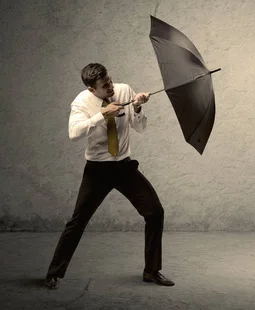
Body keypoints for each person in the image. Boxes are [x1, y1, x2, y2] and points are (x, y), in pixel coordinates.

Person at [44, 63, 174, 289]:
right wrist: (102, 114)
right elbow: (74, 134)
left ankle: (152, 271)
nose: (111, 87)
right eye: (105, 86)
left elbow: (139, 128)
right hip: (98, 171)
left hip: (124, 167)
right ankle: (53, 273)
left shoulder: (124, 90)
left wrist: (138, 108)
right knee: (78, 222)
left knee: (155, 212)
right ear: (92, 90)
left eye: (110, 81)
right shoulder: (81, 102)